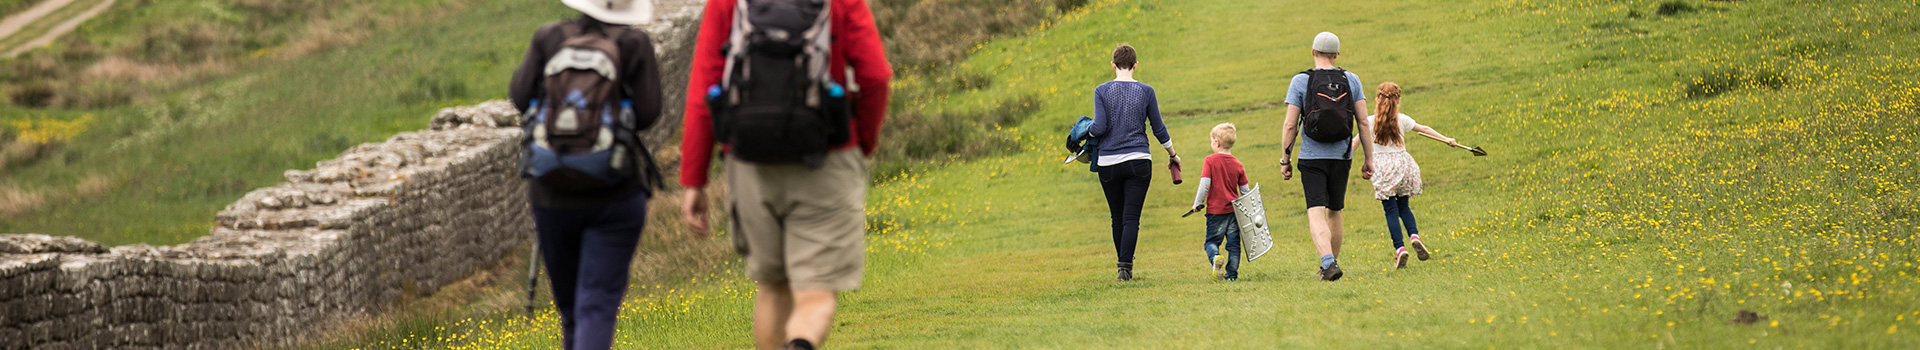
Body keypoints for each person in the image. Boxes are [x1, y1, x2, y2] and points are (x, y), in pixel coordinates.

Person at [678, 0, 892, 348]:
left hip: (750, 165)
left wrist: (694, 178)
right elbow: (875, 76)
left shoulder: (727, 3)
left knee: (773, 288)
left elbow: (705, 88)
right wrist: (861, 141)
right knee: (816, 294)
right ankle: (801, 342)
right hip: (826, 161)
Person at [506, 0, 660, 348]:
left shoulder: (549, 38)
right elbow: (649, 113)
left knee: (571, 310)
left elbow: (519, 96)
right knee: (597, 303)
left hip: (551, 194)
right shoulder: (634, 45)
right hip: (616, 192)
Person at [1277, 31, 1374, 281]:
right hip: (1342, 157)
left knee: (1315, 210)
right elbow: (1363, 123)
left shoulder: (1301, 81)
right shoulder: (1351, 79)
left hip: (1311, 158)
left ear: (1313, 52)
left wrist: (1285, 160)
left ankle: (1328, 263)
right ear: (1336, 55)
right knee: (1335, 210)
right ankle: (1332, 263)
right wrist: (1368, 159)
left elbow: (1290, 125)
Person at [1089, 44, 1178, 282]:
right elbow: (1158, 128)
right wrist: (1172, 154)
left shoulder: (1101, 90)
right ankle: (1125, 267)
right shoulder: (1146, 91)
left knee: (1116, 217)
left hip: (1108, 163)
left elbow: (1099, 128)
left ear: (1113, 65)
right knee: (1131, 218)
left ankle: (1122, 267)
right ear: (1135, 65)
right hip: (1139, 161)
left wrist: (1083, 130)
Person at [1365, 82, 1463, 268]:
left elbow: (1355, 142)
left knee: (1390, 210)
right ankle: (1414, 236)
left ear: (1377, 99)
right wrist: (1446, 139)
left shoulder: (1369, 121)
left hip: (1383, 169)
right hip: (1404, 166)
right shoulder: (1401, 119)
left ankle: (1400, 249)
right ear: (1398, 100)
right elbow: (1424, 129)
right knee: (1404, 206)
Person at [1190, 123, 1250, 280]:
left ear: (1216, 142)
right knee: (1234, 245)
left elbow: (1205, 184)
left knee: (1211, 242)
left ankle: (1215, 257)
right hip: (1234, 212)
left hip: (1215, 212)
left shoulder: (1210, 161)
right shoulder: (1238, 164)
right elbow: (1245, 191)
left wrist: (1197, 203)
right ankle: (1232, 275)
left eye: (1211, 141)